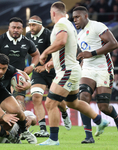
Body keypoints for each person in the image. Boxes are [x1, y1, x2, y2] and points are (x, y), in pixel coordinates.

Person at [38, 1, 109, 146]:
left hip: (67, 71)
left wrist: (45, 52)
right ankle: (100, 120)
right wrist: (53, 60)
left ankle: (53, 139)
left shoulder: (60, 24)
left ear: (53, 13)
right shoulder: (69, 24)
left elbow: (62, 41)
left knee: (51, 103)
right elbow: (68, 47)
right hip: (73, 69)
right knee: (73, 102)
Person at [73, 6, 118, 143]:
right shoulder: (78, 34)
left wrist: (92, 53)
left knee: (103, 107)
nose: (75, 20)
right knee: (83, 97)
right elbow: (84, 54)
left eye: (77, 17)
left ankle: (115, 120)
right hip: (87, 69)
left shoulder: (98, 26)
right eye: (73, 18)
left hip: (104, 68)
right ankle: (88, 136)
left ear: (86, 16)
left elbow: (114, 43)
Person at [25, 15, 71, 137]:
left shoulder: (50, 34)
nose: (31, 27)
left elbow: (57, 51)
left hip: (53, 71)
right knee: (36, 97)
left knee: (57, 100)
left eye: (33, 25)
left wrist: (45, 65)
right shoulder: (28, 36)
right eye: (29, 25)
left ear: (40, 24)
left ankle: (64, 113)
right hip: (37, 72)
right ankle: (43, 129)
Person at [0, 17, 40, 109]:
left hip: (18, 76)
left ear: (22, 29)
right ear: (9, 28)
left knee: (19, 98)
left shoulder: (27, 42)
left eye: (18, 28)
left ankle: (21, 122)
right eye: (13, 27)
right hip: (2, 77)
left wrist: (32, 66)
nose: (16, 30)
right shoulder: (0, 40)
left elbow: (36, 55)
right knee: (1, 102)